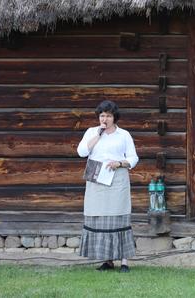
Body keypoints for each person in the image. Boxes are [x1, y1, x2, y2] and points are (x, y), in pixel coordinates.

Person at [77, 100, 139, 272]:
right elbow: (81, 152)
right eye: (102, 115)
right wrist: (98, 134)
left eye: (108, 116)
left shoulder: (124, 135)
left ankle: (124, 262)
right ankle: (107, 260)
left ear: (114, 118)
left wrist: (119, 163)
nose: (105, 119)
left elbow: (134, 158)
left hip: (117, 178)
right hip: (96, 179)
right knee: (101, 219)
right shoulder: (91, 132)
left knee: (118, 218)